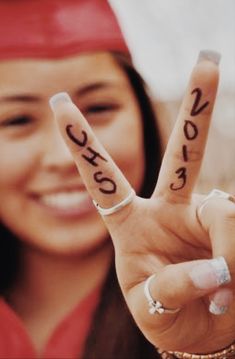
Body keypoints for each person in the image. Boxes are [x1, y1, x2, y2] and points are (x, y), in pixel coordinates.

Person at [0, 1, 234, 359]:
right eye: (16, 120)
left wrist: (216, 349)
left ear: (142, 116)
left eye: (98, 108)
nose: (67, 158)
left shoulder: (208, 287)